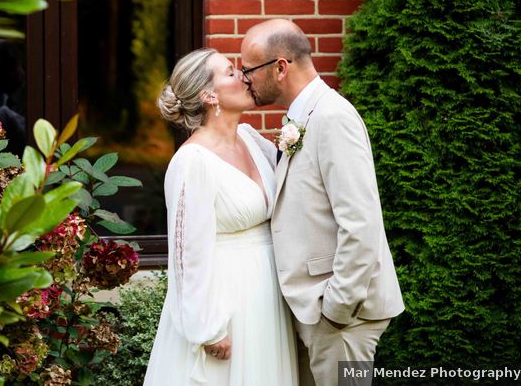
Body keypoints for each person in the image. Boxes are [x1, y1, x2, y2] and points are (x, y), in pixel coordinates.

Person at [240, 19, 404, 386]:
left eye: (249, 69)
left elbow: (361, 223)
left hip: (341, 318)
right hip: (313, 311)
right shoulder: (300, 117)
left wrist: (336, 309)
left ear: (280, 67)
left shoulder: (332, 117)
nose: (244, 78)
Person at [144, 48, 298, 385]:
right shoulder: (192, 162)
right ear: (209, 95)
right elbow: (188, 255)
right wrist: (208, 328)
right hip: (229, 300)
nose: (243, 76)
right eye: (230, 72)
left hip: (266, 294)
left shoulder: (249, 138)